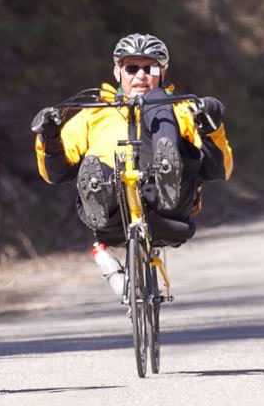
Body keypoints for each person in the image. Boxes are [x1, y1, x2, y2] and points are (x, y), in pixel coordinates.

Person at [32, 33, 233, 295]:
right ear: (117, 72)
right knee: (97, 166)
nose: (141, 75)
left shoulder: (183, 109)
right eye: (132, 68)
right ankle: (99, 193)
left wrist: (210, 128)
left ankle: (166, 171)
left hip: (168, 206)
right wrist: (49, 136)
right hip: (113, 215)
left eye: (150, 67)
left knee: (156, 100)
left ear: (163, 71)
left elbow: (218, 169)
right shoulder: (93, 113)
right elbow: (55, 173)